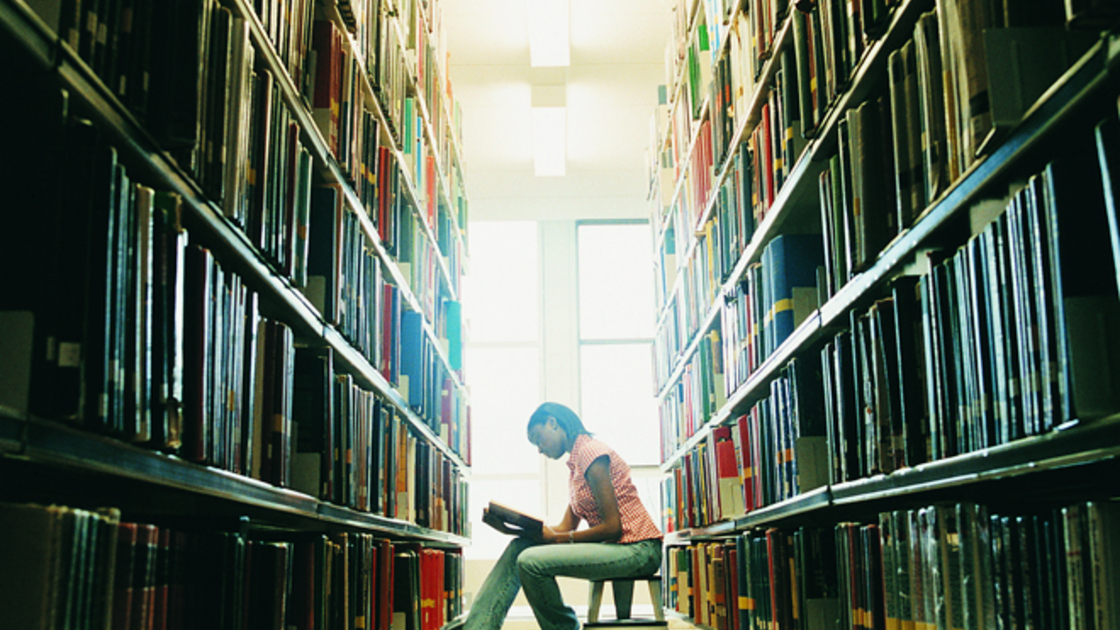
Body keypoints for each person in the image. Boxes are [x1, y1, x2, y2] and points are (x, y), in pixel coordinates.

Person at [464, 402, 663, 630]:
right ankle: (477, 627)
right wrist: (511, 529)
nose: (540, 449)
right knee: (520, 547)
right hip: (621, 547)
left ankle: (564, 628)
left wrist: (558, 539)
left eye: (539, 439)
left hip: (638, 549)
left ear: (552, 423)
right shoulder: (576, 466)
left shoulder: (591, 453)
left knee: (530, 563)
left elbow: (612, 528)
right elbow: (565, 527)